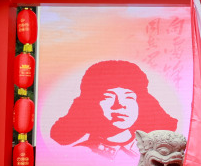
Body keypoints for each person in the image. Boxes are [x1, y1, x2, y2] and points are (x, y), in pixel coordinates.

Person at [50, 60, 178, 158]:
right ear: (91, 103)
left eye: (129, 97)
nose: (120, 104)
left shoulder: (153, 154)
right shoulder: (79, 154)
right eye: (108, 97)